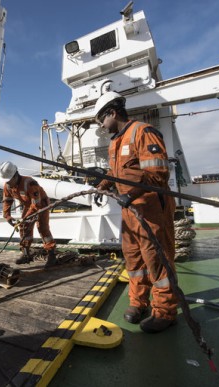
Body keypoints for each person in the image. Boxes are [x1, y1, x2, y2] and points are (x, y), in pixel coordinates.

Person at [94, 91, 178, 333]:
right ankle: (138, 302)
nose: (101, 125)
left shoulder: (143, 132)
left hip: (152, 209)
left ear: (112, 112)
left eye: (101, 119)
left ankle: (165, 312)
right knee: (133, 258)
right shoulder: (113, 143)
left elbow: (158, 174)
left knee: (157, 259)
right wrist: (103, 185)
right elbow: (116, 173)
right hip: (130, 210)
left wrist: (131, 194)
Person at [0, 161, 58, 268]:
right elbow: (7, 200)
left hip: (41, 205)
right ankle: (26, 254)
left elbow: (36, 204)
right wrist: (7, 215)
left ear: (15, 175)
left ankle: (51, 254)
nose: (8, 183)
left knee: (43, 228)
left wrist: (25, 217)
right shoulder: (8, 186)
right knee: (24, 227)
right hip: (28, 205)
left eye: (9, 180)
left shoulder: (30, 183)